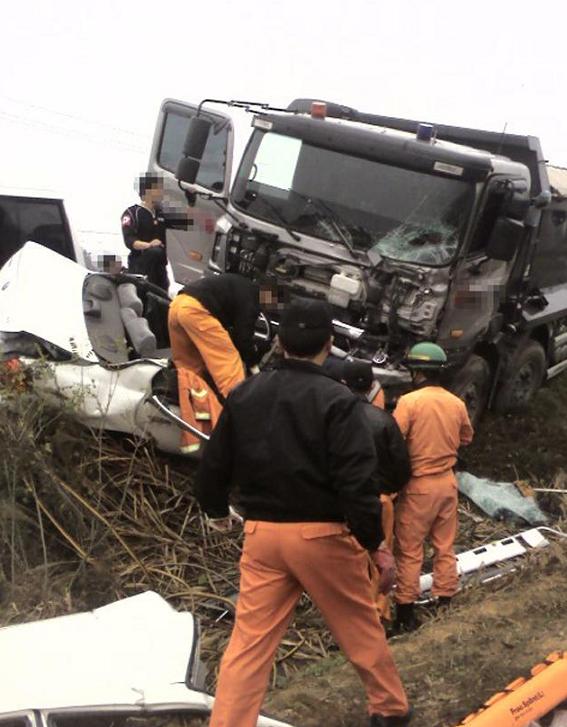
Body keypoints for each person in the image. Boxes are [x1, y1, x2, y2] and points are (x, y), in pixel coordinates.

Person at [195, 299, 412, 727]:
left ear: (279, 342)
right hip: (322, 537)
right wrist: (377, 546)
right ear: (329, 345)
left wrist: (217, 511)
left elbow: (212, 468)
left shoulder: (245, 394)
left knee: (249, 644)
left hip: (262, 537)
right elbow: (356, 481)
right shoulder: (338, 401)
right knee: (358, 627)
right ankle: (389, 709)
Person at [392, 342, 474, 632]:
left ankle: (405, 614)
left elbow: (392, 440)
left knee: (410, 550)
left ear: (416, 372)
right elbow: (466, 437)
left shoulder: (408, 403)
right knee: (444, 546)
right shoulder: (456, 403)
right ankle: (444, 599)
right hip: (447, 484)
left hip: (419, 486)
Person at [343, 360, 411, 621]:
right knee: (380, 559)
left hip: (342, 503)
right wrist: (390, 491)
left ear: (341, 384)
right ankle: (378, 615)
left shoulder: (331, 417)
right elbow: (401, 466)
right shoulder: (383, 420)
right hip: (379, 500)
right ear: (372, 385)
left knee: (349, 560)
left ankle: (349, 618)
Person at [121, 173, 187, 291]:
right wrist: (149, 245)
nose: (162, 192)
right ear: (148, 191)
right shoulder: (131, 213)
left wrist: (190, 198)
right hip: (140, 265)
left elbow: (186, 222)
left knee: (162, 299)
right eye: (158, 189)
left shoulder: (162, 213)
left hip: (160, 267)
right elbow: (129, 241)